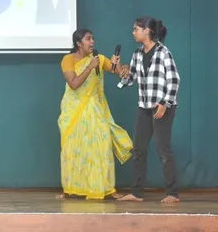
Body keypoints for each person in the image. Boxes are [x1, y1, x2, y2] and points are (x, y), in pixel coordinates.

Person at [57, 29, 133, 200]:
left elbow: (120, 72)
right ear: (78, 43)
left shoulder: (99, 59)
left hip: (96, 110)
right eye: (88, 39)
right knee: (74, 149)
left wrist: (121, 66)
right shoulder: (68, 60)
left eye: (93, 38)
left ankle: (107, 189)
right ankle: (70, 188)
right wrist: (90, 67)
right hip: (74, 112)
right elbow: (74, 84)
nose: (92, 42)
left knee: (102, 146)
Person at [116, 17, 181, 204]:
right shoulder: (137, 54)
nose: (133, 32)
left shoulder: (163, 53)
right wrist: (119, 67)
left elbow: (174, 80)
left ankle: (172, 193)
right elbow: (129, 79)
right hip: (144, 107)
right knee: (138, 150)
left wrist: (165, 103)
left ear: (147, 31)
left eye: (136, 29)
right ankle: (136, 193)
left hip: (162, 107)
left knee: (163, 149)